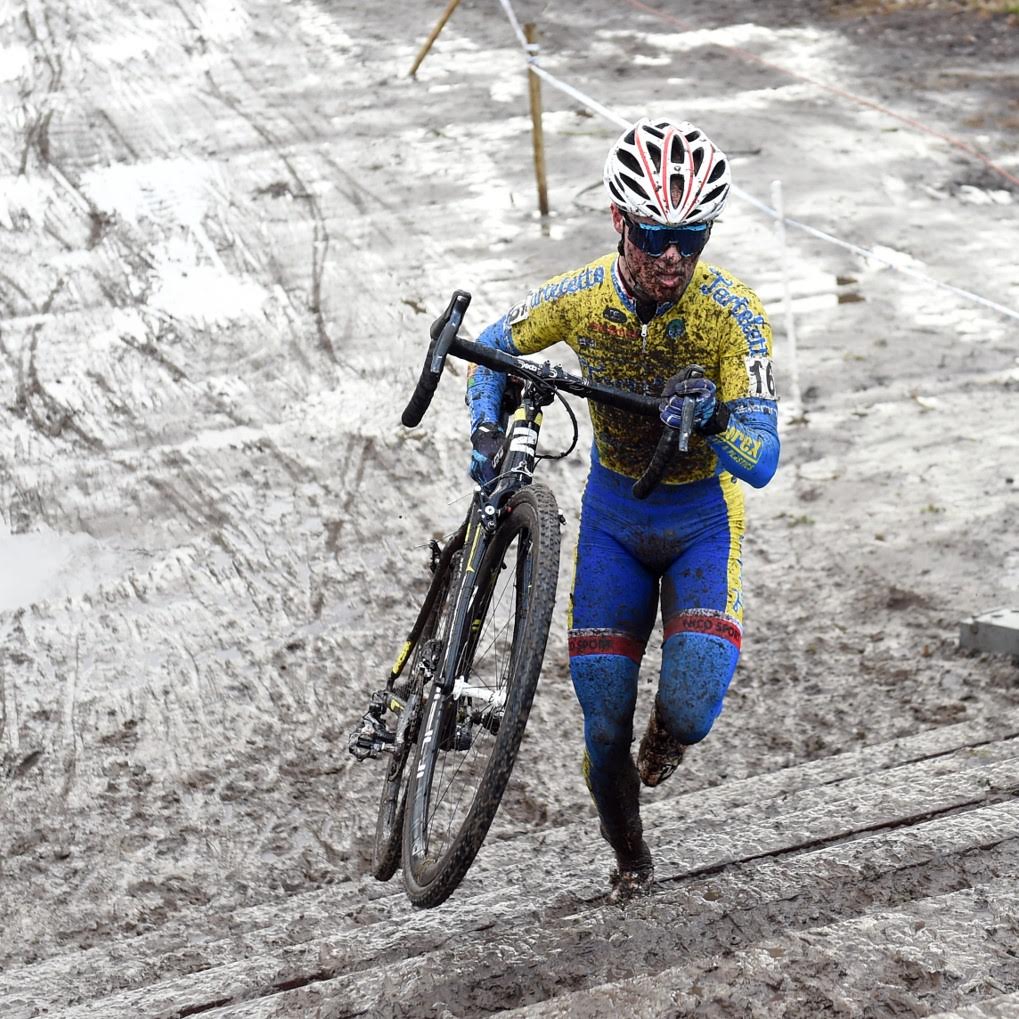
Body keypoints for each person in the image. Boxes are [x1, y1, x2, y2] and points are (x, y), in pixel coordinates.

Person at [465, 117, 780, 902]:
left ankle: (669, 738)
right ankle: (630, 858)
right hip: (613, 520)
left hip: (701, 518)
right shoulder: (578, 298)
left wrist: (713, 421)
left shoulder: (732, 312)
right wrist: (484, 430)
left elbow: (763, 460)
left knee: (689, 708)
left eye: (693, 236)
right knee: (602, 726)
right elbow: (492, 346)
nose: (672, 256)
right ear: (617, 220)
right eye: (652, 232)